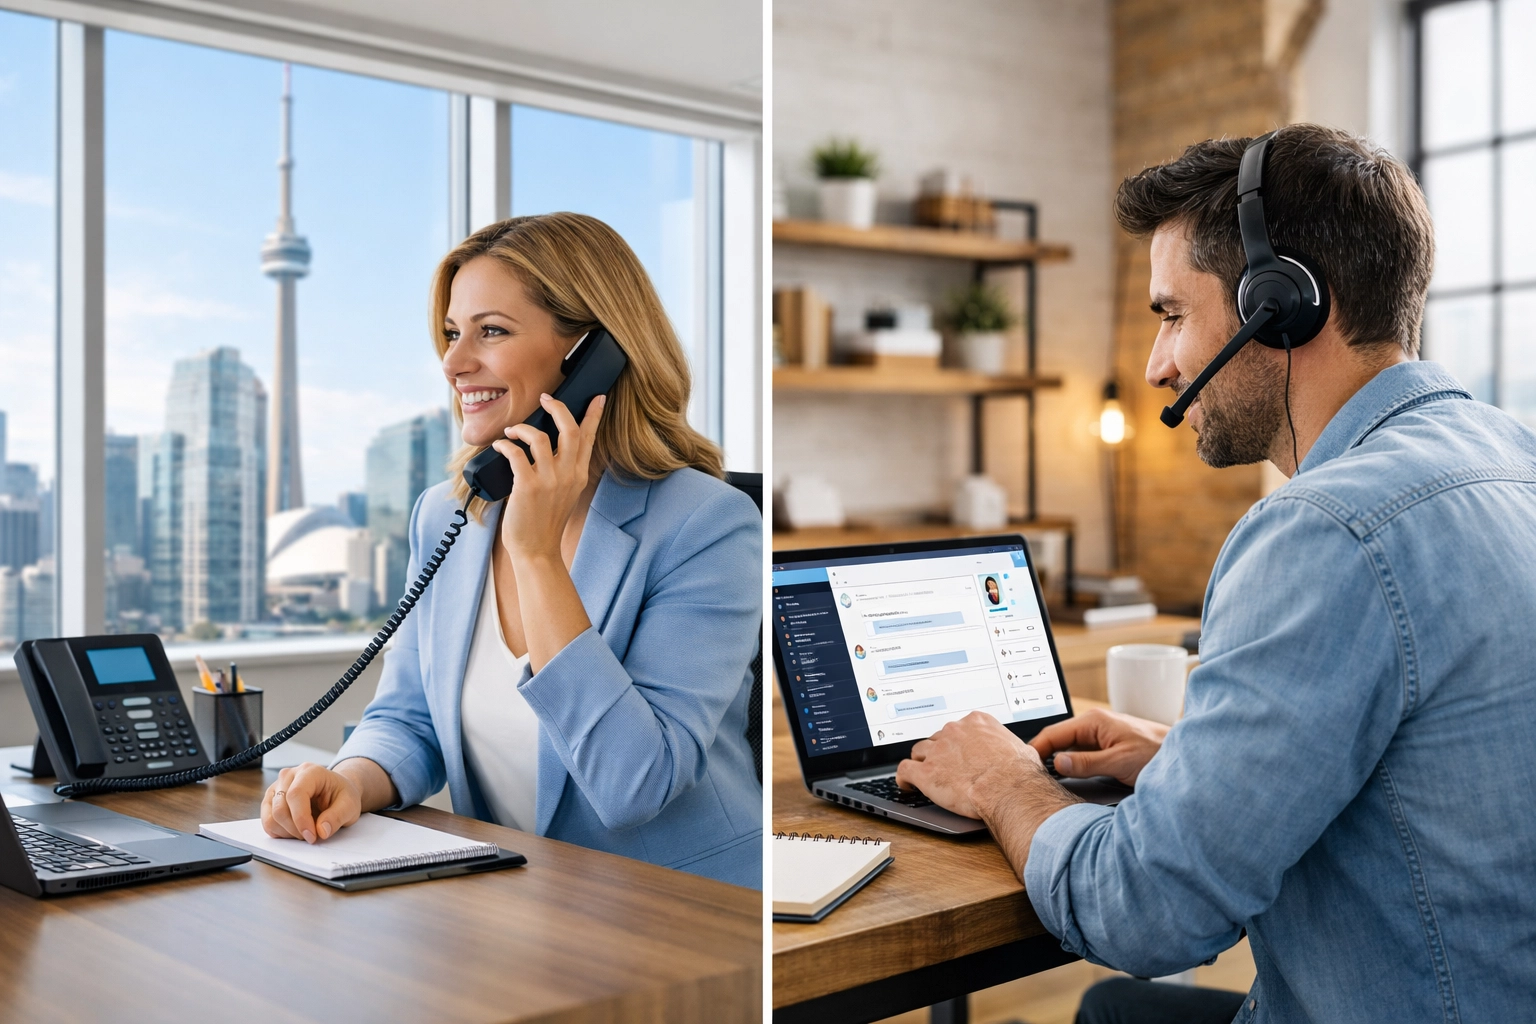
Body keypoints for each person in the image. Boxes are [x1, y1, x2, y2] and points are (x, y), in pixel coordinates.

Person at [897, 124, 1536, 1021]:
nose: (1157, 365)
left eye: (1171, 315)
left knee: (1115, 1002)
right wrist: (1185, 764)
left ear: (1281, 305)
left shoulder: (1326, 531)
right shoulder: (1514, 457)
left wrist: (1003, 781)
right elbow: (1441, 783)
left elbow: (1147, 912)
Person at [260, 213, 762, 889]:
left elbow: (634, 784)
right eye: (451, 333)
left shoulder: (707, 525)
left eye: (491, 331)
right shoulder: (448, 513)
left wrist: (536, 555)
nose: (454, 363)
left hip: (685, 910)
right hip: (519, 902)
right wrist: (351, 779)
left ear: (594, 355)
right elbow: (410, 717)